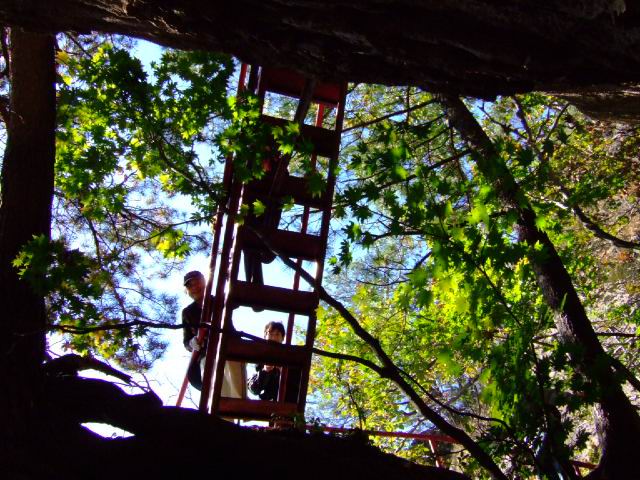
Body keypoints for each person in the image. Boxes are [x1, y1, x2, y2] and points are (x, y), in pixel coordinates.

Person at [181, 270, 246, 398]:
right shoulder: (188, 312)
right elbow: (186, 341)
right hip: (206, 355)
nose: (194, 287)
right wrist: (192, 343)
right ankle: (220, 409)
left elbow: (237, 299)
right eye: (190, 285)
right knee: (218, 394)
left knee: (236, 391)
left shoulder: (219, 300)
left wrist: (229, 279)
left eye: (197, 282)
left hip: (229, 349)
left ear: (205, 283)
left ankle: (240, 407)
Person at [248, 321, 300, 402]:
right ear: (265, 336)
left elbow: (298, 384)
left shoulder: (292, 358)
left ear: (283, 338)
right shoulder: (260, 362)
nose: (273, 337)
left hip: (287, 404)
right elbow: (254, 389)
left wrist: (282, 370)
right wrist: (266, 371)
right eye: (270, 333)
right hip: (266, 406)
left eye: (277, 334)